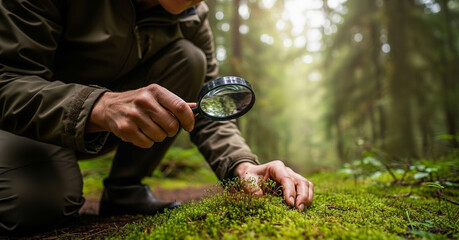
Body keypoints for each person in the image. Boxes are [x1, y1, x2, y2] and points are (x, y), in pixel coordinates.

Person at [0, 0, 313, 231]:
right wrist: (99, 105)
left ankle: (124, 188)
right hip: (20, 124)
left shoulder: (193, 14)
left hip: (102, 127)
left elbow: (208, 105)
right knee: (34, 204)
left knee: (189, 59)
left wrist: (243, 166)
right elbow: (7, 79)